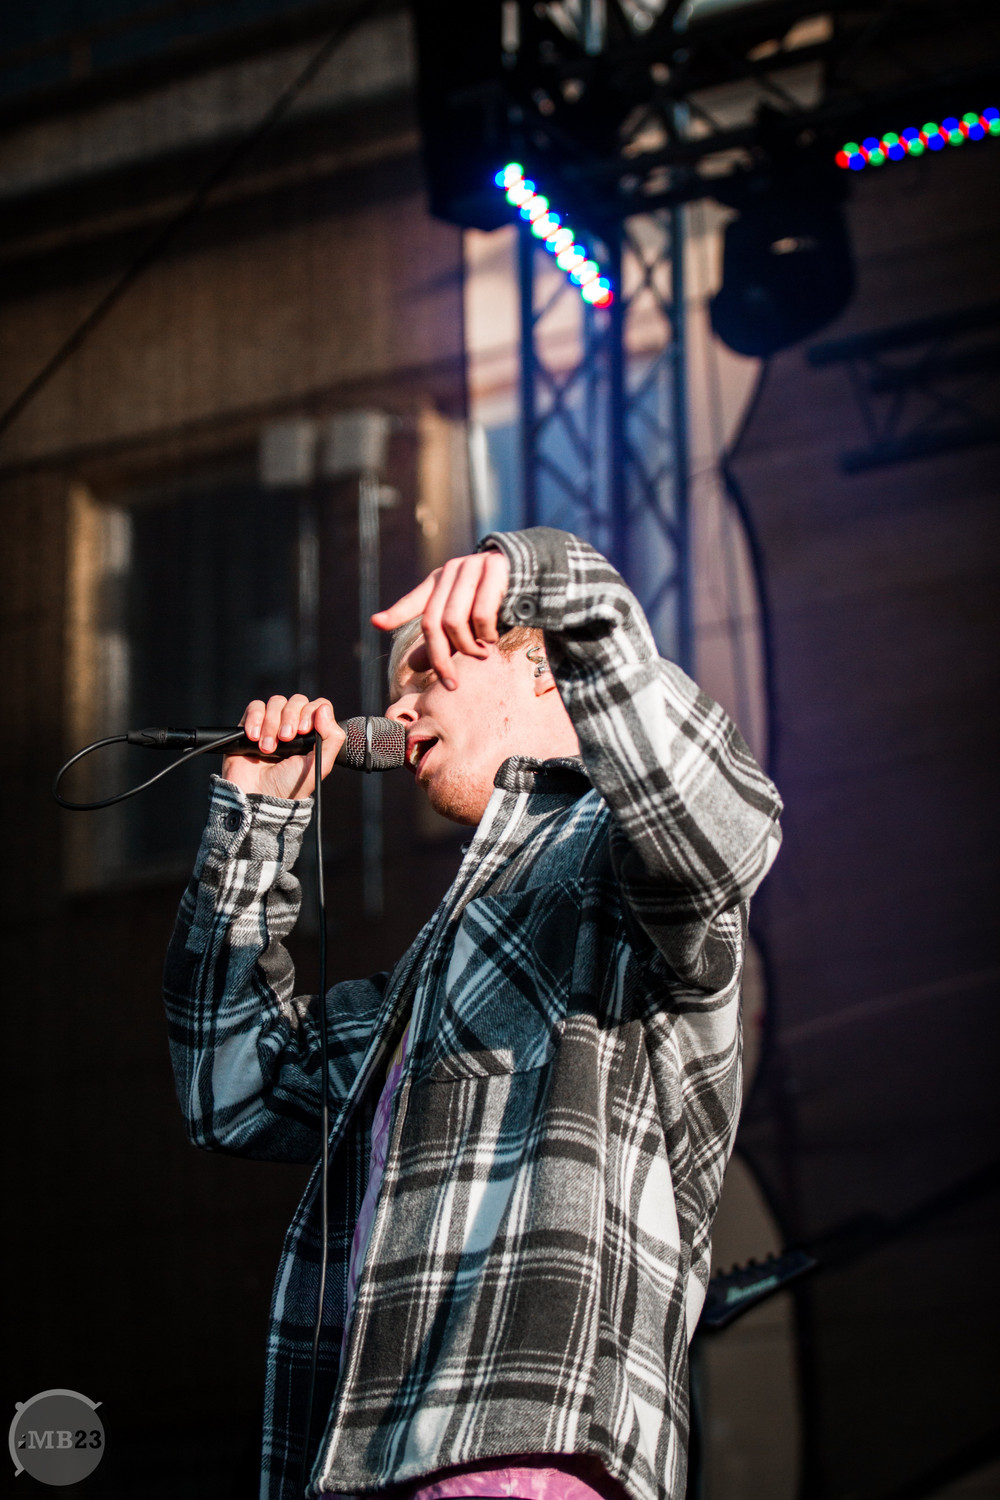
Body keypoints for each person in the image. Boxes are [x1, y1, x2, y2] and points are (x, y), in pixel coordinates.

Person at [163, 526, 782, 1500]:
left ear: (545, 670)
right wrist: (257, 825)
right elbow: (232, 1084)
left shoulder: (619, 871)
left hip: (522, 1443)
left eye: (426, 668)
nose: (396, 710)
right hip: (365, 1462)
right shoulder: (437, 970)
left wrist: (551, 583)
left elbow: (724, 815)